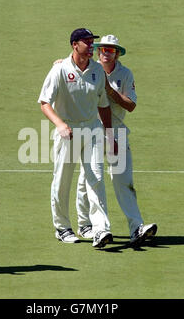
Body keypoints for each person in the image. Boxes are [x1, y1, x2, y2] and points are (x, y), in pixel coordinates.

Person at [75, 35, 158, 246]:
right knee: (90, 178)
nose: (105, 54)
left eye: (110, 51)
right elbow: (70, 67)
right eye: (102, 50)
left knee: (123, 181)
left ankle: (136, 228)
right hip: (92, 132)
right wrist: (58, 63)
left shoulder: (125, 74)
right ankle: (86, 224)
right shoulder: (91, 68)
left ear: (117, 53)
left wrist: (110, 91)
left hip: (118, 133)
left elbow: (130, 105)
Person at [38, 28, 115, 248]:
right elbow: (45, 103)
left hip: (92, 130)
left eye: (92, 42)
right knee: (62, 180)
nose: (91, 46)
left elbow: (103, 105)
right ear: (74, 44)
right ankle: (62, 228)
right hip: (68, 132)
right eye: (87, 42)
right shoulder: (60, 70)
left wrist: (109, 135)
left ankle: (100, 229)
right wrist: (60, 124)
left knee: (96, 179)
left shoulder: (98, 72)